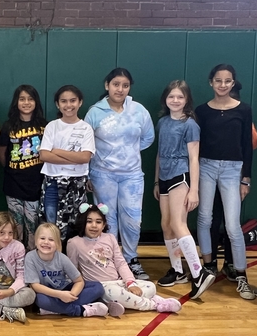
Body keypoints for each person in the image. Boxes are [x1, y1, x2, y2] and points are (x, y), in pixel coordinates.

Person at [84, 68, 154, 280]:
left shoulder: (139, 110)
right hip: (102, 174)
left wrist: (126, 152)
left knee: (133, 219)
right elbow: (86, 144)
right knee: (108, 219)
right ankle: (111, 260)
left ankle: (131, 259)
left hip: (131, 175)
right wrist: (89, 172)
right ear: (107, 85)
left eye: (125, 85)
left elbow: (148, 138)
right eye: (116, 84)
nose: (120, 89)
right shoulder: (95, 112)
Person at [194, 64, 255, 300]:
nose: (222, 85)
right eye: (218, 80)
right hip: (206, 166)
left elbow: (247, 146)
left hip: (233, 170)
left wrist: (245, 179)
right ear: (211, 82)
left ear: (233, 83)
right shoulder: (202, 111)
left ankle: (240, 274)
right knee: (205, 218)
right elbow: (196, 145)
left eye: (227, 81)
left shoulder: (244, 109)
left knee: (232, 225)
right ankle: (208, 266)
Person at [153, 80, 215, 300]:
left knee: (179, 224)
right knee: (166, 225)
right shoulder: (162, 123)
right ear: (166, 99)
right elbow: (160, 154)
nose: (175, 100)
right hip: (165, 178)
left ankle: (199, 273)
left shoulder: (190, 125)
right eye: (171, 97)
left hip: (181, 177)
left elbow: (194, 158)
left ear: (187, 100)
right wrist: (156, 181)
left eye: (180, 97)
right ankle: (178, 271)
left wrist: (194, 190)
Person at [66, 203, 181, 314]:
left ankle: (121, 302)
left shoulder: (110, 238)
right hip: (101, 286)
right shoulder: (74, 243)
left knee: (150, 286)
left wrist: (130, 283)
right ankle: (155, 304)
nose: (94, 225)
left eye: (98, 222)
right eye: (89, 221)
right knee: (116, 293)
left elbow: (120, 263)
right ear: (82, 223)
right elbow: (72, 271)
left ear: (104, 224)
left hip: (119, 281)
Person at [38, 85, 95, 245]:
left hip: (77, 184)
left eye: (72, 101)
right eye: (64, 101)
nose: (68, 105)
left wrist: (57, 151)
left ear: (80, 102)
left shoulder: (86, 128)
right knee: (51, 227)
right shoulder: (52, 126)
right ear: (57, 104)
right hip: (53, 183)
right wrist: (74, 157)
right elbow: (44, 155)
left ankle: (72, 265)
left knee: (76, 225)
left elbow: (85, 157)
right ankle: (53, 264)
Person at [24, 222, 113, 317]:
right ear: (36, 241)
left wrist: (71, 295)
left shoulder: (62, 258)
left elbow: (79, 281)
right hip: (47, 293)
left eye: (51, 239)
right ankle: (80, 310)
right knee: (39, 299)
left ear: (58, 243)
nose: (46, 242)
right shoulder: (30, 257)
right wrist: (59, 295)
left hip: (66, 289)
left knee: (98, 287)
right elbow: (35, 286)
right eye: (42, 238)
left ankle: (56, 309)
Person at [0, 85, 47, 249]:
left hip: (36, 184)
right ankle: (15, 256)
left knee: (33, 224)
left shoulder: (44, 126)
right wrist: (14, 169)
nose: (26, 103)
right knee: (16, 224)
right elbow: (2, 153)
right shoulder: (8, 126)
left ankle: (32, 256)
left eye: (30, 99)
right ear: (16, 102)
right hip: (13, 184)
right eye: (22, 99)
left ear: (36, 102)